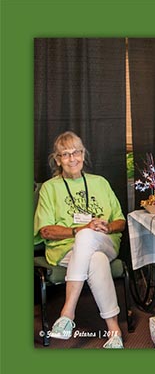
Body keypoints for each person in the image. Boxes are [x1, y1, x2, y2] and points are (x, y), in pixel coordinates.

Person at [34, 131, 126, 349]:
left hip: (105, 241)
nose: (72, 158)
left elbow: (120, 221)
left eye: (76, 152)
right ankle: (115, 332)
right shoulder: (50, 188)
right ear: (57, 160)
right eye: (65, 154)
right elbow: (45, 231)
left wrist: (106, 226)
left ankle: (67, 312)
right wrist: (80, 230)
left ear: (83, 155)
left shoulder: (100, 183)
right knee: (95, 258)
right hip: (65, 250)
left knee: (89, 237)